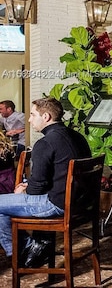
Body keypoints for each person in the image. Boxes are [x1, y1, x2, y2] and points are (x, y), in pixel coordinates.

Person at [0, 97, 91, 267]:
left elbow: (36, 190)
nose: (29, 119)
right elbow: (56, 174)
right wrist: (30, 184)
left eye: (33, 115)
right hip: (78, 202)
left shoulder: (45, 143)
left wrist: (24, 190)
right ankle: (29, 249)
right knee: (3, 210)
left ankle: (26, 250)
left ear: (46, 117)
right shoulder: (78, 136)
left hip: (56, 204)